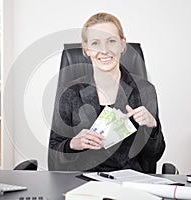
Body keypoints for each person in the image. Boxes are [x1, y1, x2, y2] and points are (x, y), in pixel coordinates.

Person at [48, 12, 165, 173]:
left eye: (111, 41)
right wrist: (72, 144)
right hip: (82, 182)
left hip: (128, 182)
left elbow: (154, 156)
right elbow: (53, 158)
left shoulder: (145, 90)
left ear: (122, 45)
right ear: (86, 49)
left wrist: (152, 126)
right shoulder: (70, 92)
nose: (104, 50)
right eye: (95, 43)